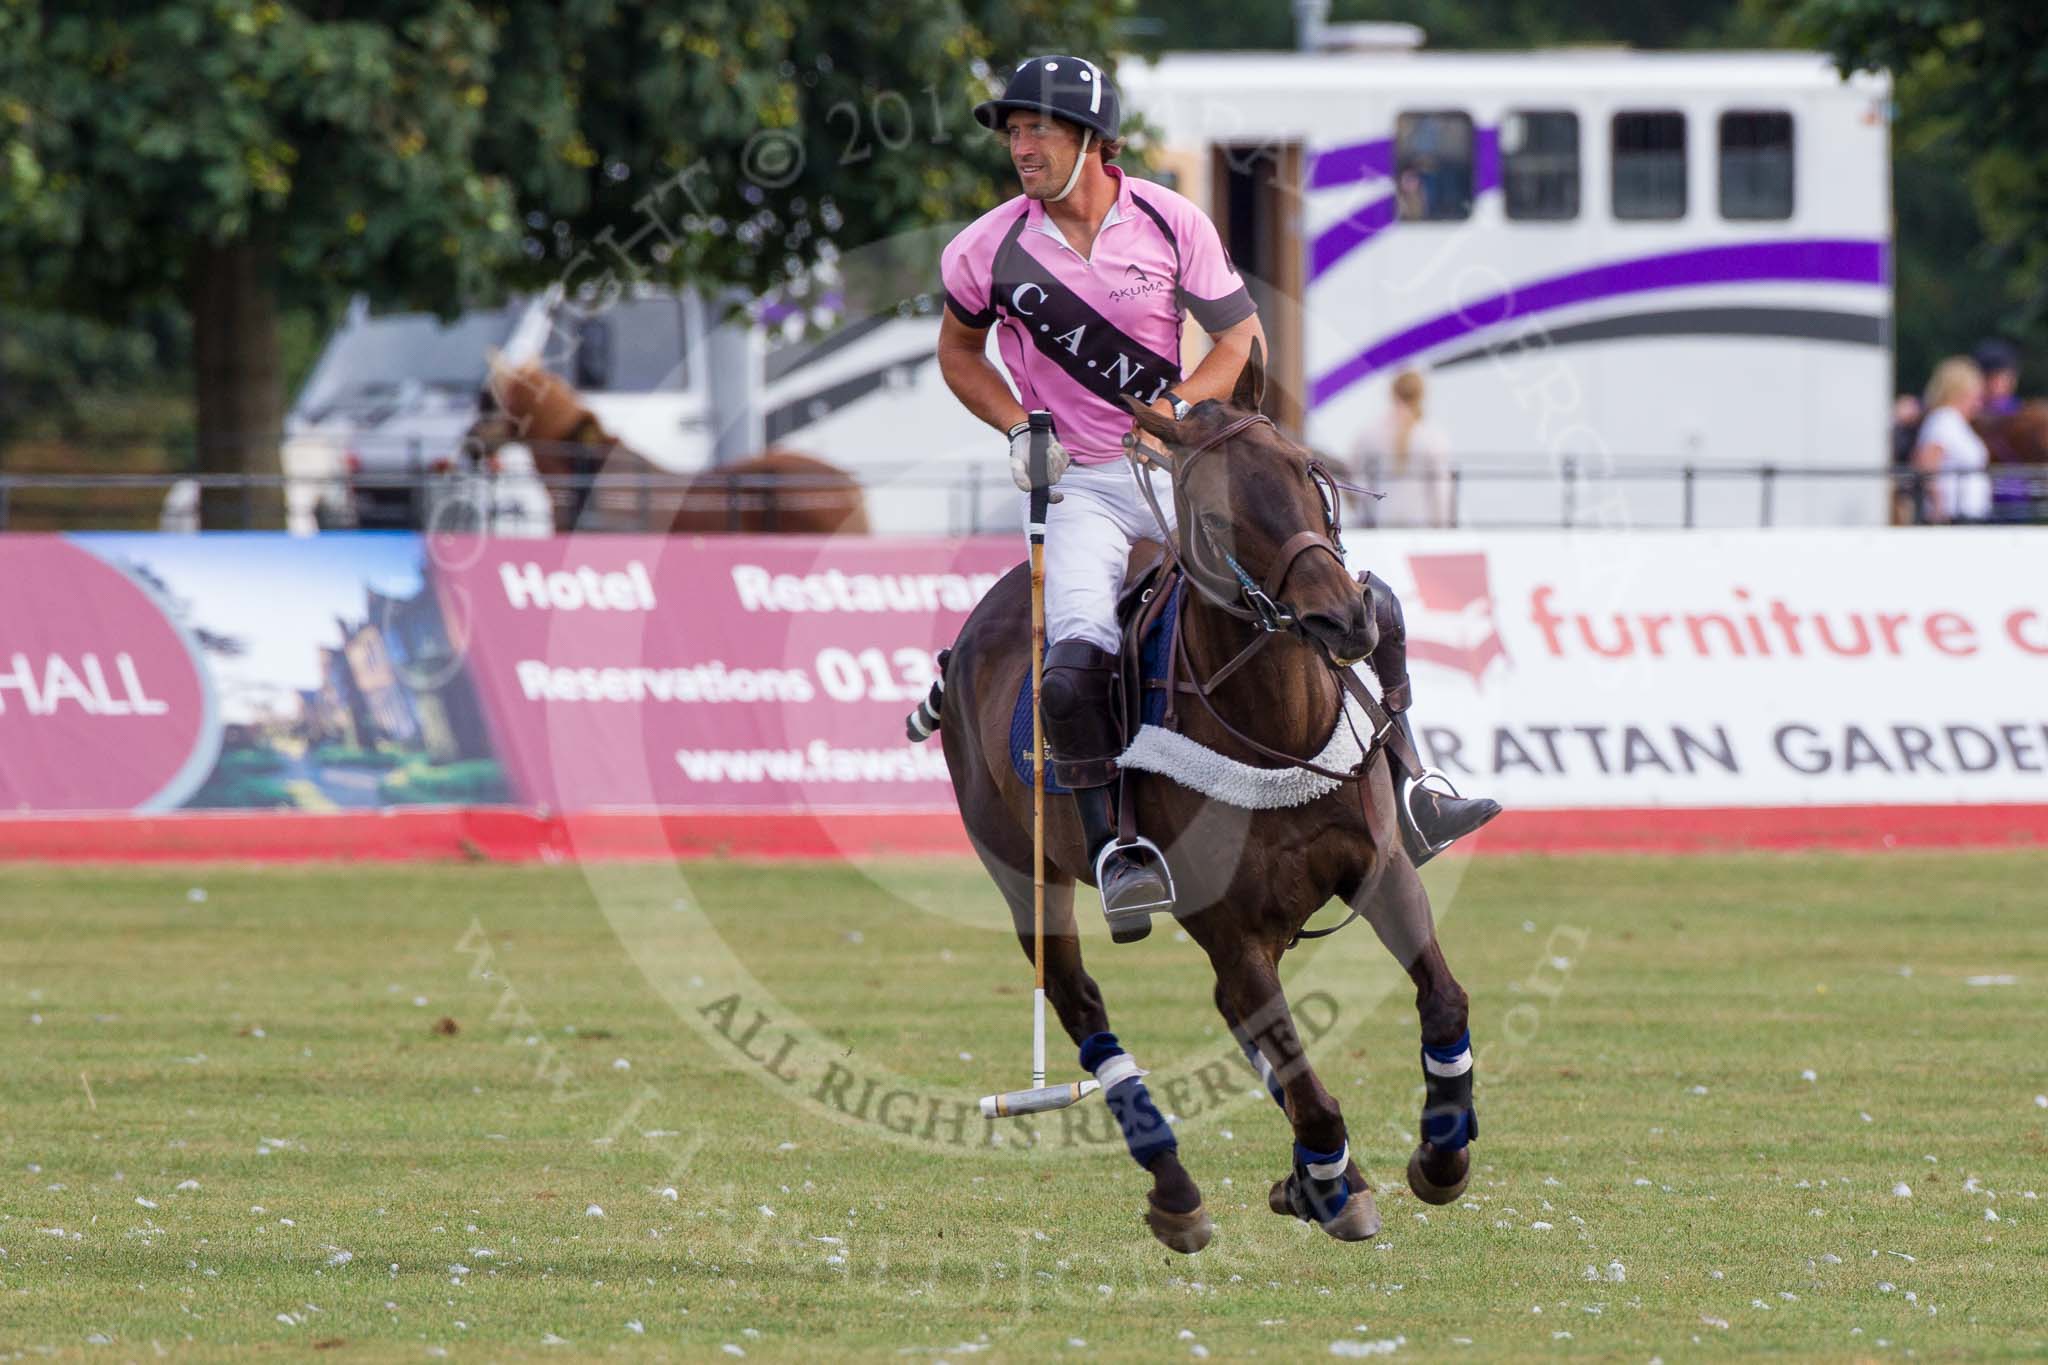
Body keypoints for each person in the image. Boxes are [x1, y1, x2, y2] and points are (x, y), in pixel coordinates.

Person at [934, 55, 1499, 927]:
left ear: (1090, 139)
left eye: (1036, 127)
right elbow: (959, 355)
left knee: (1351, 604)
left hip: (1185, 467)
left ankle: (1415, 786)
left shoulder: (1169, 220)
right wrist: (1018, 425)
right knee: (1075, 666)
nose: (1020, 145)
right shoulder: (985, 249)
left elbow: (1238, 337)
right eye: (1012, 130)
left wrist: (1179, 406)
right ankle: (1121, 845)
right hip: (1081, 485)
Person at [1350, 369, 1452, 527]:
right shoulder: (1432, 436)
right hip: (1421, 527)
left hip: (1382, 525)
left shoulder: (1370, 434)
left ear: (1392, 394)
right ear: (1422, 395)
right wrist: (1442, 528)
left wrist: (1363, 517)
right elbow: (1440, 491)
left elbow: (1356, 482)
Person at [1911, 356, 1990, 524]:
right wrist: (1939, 509)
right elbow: (1927, 464)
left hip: (1968, 514)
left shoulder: (1956, 422)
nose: (1978, 402)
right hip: (1951, 516)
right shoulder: (1942, 420)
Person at [1973, 339, 2021, 418]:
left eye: (2006, 378)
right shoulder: (1969, 409)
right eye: (1992, 378)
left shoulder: (2018, 411)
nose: (1998, 385)